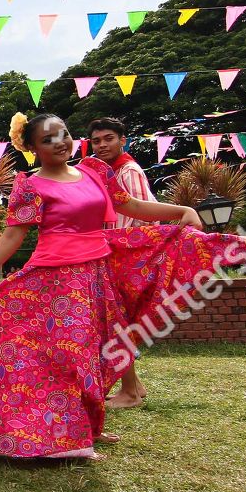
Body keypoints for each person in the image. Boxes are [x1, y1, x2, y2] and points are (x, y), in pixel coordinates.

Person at [0, 112, 246, 461]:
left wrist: (179, 211)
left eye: (64, 134)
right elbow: (13, 235)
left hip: (98, 274)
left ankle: (86, 424)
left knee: (97, 350)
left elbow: (133, 205)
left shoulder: (95, 172)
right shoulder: (31, 185)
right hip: (55, 280)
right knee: (69, 354)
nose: (60, 142)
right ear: (34, 149)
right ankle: (65, 436)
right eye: (48, 139)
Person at [87, 117, 155, 408]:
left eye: (109, 138)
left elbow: (141, 216)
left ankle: (129, 391)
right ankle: (134, 386)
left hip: (125, 257)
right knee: (117, 322)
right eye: (96, 140)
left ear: (123, 140)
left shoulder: (128, 171)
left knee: (116, 324)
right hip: (113, 254)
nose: (102, 145)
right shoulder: (108, 172)